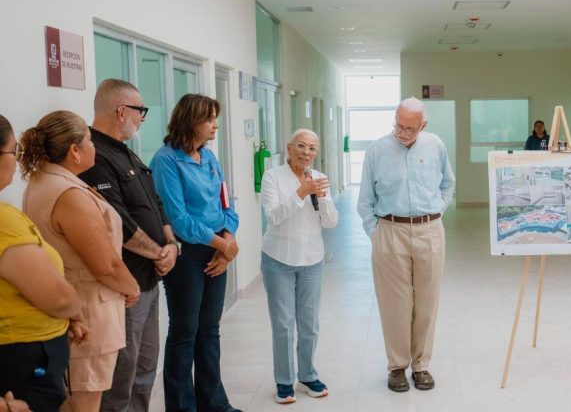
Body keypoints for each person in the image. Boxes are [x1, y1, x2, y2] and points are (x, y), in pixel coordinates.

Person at [20, 111, 141, 411]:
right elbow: (105, 264)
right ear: (74, 150)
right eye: (89, 141)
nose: (94, 147)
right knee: (85, 403)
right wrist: (132, 286)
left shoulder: (43, 181)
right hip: (89, 314)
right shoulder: (68, 194)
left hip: (74, 309)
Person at [78, 79, 178, 412]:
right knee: (121, 376)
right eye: (140, 111)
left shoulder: (127, 151)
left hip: (149, 280)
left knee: (145, 367)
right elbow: (116, 221)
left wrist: (171, 245)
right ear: (122, 111)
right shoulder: (94, 155)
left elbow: (155, 203)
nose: (143, 118)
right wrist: (158, 252)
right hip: (125, 286)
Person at [150, 94, 241, 412]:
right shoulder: (166, 160)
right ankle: (181, 407)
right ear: (191, 120)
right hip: (187, 255)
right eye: (210, 119)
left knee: (210, 330)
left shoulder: (210, 158)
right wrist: (222, 246)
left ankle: (214, 403)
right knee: (185, 332)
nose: (215, 125)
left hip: (218, 249)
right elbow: (177, 219)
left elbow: (227, 202)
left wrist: (228, 238)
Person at [357, 97, 455, 392]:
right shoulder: (377, 150)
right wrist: (376, 232)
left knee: (427, 300)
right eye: (399, 125)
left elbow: (448, 183)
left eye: (410, 128)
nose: (403, 132)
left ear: (422, 126)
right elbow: (364, 200)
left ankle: (421, 365)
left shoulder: (435, 145)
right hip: (390, 229)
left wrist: (437, 211)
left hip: (430, 230)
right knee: (395, 303)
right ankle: (397, 366)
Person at [0, 114, 85, 412]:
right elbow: (56, 295)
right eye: (14, 151)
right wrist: (75, 310)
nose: (16, 159)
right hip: (22, 357)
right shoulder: (3, 221)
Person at [260, 129, 338, 404]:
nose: (306, 152)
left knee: (310, 324)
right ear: (289, 147)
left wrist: (323, 199)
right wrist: (301, 192)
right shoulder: (272, 176)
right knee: (283, 324)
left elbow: (330, 222)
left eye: (312, 148)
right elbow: (274, 216)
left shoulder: (319, 178)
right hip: (278, 259)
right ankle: (284, 380)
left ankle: (307, 374)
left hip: (312, 260)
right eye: (301, 146)